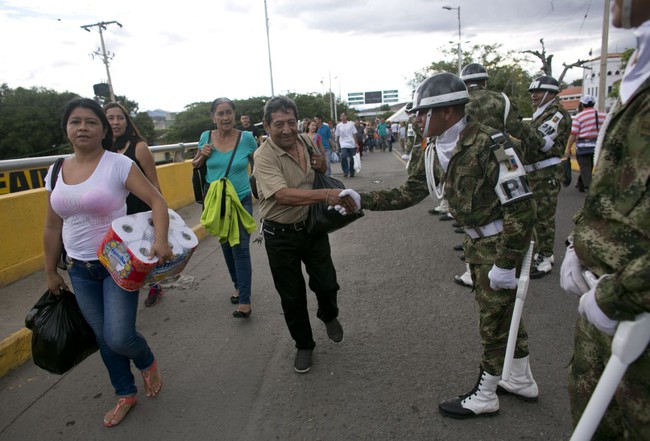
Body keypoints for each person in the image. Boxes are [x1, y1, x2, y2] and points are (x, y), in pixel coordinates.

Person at [359, 72, 538, 418]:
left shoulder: (492, 144)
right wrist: (359, 200)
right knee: (503, 315)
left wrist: (506, 261)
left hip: (500, 245)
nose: (415, 119)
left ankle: (486, 393)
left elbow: (522, 205)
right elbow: (408, 194)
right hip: (478, 245)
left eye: (422, 113)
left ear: (447, 112)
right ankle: (519, 377)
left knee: (492, 322)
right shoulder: (435, 148)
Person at [44, 98, 171, 427]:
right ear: (66, 129)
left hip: (117, 264)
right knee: (103, 337)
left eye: (90, 121)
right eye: (75, 122)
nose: (82, 127)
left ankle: (145, 359)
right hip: (78, 268)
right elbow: (52, 225)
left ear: (104, 130)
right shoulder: (56, 169)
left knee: (119, 336)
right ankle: (124, 394)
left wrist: (160, 241)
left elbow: (156, 200)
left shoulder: (117, 164)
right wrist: (49, 271)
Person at [562, 1, 650, 438]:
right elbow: (612, 182)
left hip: (632, 307)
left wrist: (619, 295)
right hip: (609, 299)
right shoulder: (640, 65)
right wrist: (577, 242)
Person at [252, 95, 359, 373]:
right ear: (266, 126)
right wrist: (327, 195)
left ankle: (329, 314)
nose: (286, 130)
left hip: (312, 227)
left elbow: (320, 166)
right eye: (278, 124)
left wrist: (322, 166)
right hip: (280, 235)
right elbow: (283, 195)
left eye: (290, 122)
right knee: (292, 296)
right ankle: (304, 345)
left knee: (327, 283)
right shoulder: (263, 156)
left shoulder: (306, 140)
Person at [193, 98, 258, 318]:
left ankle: (245, 301)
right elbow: (195, 164)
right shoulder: (205, 137)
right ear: (213, 117)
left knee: (240, 247)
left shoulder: (247, 138)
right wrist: (203, 154)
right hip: (216, 201)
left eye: (228, 112)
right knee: (226, 246)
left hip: (240, 199)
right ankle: (238, 286)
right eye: (220, 113)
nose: (225, 117)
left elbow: (258, 164)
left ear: (235, 115)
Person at [104, 102, 165, 307]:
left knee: (146, 251)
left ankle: (155, 286)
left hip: (140, 208)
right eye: (110, 118)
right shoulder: (102, 149)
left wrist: (159, 213)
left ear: (126, 121)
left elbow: (153, 182)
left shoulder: (138, 147)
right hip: (116, 212)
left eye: (120, 117)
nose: (115, 122)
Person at [526, 75, 572, 279]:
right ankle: (543, 253)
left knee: (543, 217)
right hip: (535, 172)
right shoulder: (540, 113)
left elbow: (542, 142)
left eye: (538, 91)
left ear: (552, 94)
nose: (533, 95)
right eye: (532, 92)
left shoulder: (557, 115)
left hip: (546, 173)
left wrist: (519, 129)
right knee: (535, 216)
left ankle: (544, 257)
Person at [565, 95, 606, 192]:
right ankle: (581, 184)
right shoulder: (603, 115)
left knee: (585, 167)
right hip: (597, 146)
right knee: (589, 166)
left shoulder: (579, 117)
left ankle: (589, 187)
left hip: (583, 146)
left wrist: (568, 148)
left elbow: (573, 134)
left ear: (582, 104)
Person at [335, 112, 358, 178]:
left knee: (352, 159)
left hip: (351, 143)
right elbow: (337, 136)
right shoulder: (338, 125)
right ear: (340, 118)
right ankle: (345, 171)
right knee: (344, 156)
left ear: (346, 117)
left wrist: (356, 143)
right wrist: (338, 145)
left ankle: (352, 171)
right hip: (343, 144)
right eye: (342, 116)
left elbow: (354, 134)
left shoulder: (351, 124)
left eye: (344, 116)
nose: (343, 117)